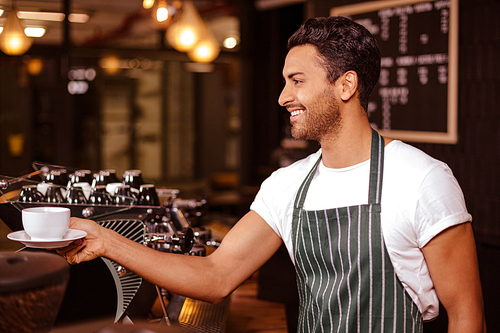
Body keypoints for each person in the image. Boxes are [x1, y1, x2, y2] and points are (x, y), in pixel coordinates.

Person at [58, 16, 486, 332]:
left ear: (346, 85)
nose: (283, 97)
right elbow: (216, 277)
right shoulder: (288, 185)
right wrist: (107, 241)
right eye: (284, 82)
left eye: (297, 80)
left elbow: (467, 316)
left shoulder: (422, 179)